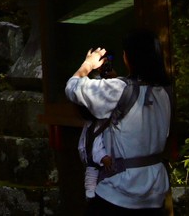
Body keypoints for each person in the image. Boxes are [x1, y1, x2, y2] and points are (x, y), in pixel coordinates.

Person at [66, 29, 174, 214]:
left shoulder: (119, 88)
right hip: (154, 192)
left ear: (129, 57)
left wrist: (87, 65)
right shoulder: (164, 92)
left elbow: (72, 87)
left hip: (120, 191)